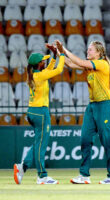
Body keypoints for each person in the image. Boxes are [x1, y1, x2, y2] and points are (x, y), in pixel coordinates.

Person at [63, 41, 110, 184]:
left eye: (90, 50)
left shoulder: (102, 64)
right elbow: (70, 63)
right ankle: (84, 175)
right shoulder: (89, 66)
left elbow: (79, 62)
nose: (87, 52)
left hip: (106, 105)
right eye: (87, 49)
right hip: (93, 106)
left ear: (99, 53)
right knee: (85, 139)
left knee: (106, 140)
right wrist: (58, 52)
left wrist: (64, 48)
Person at [13, 40, 65, 185]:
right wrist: (63, 54)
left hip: (32, 111)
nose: (44, 62)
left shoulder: (35, 74)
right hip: (41, 112)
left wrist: (54, 55)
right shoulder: (40, 76)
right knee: (42, 145)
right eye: (42, 61)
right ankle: (42, 176)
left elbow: (49, 68)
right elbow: (59, 70)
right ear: (38, 64)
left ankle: (22, 167)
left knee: (38, 142)